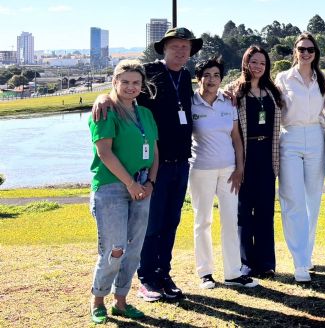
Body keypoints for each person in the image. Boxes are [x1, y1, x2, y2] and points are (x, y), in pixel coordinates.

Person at [93, 27, 202, 301]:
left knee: (171, 222)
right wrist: (102, 96)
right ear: (164, 49)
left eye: (186, 47)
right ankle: (146, 278)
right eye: (175, 46)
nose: (181, 51)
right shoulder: (150, 70)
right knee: (150, 225)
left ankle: (164, 273)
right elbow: (124, 88)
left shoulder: (187, 75)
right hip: (155, 164)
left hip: (181, 162)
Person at [88, 60, 158, 324]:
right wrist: (130, 184)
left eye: (136, 83)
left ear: (142, 86)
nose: (131, 87)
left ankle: (121, 301)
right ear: (115, 82)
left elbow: (154, 151)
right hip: (112, 188)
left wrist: (150, 182)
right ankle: (98, 300)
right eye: (125, 82)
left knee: (134, 249)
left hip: (142, 187)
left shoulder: (146, 115)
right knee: (114, 248)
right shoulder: (106, 111)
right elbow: (104, 152)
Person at [188, 57, 256, 289]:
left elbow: (236, 139)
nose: (211, 80)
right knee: (202, 221)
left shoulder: (229, 102)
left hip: (229, 170)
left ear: (221, 79)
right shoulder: (190, 103)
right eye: (206, 75)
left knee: (230, 219)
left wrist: (240, 168)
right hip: (201, 170)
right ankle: (205, 273)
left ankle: (233, 273)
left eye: (216, 75)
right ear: (198, 78)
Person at [275, 32, 325, 283]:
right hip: (291, 137)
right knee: (292, 199)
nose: (306, 53)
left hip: (316, 138)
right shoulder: (283, 78)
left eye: (310, 49)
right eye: (301, 49)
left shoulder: (322, 78)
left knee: (312, 201)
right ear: (294, 51)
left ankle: (307, 256)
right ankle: (299, 263)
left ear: (315, 53)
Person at [230, 45, 283, 280]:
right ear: (246, 63)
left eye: (262, 63)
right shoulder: (234, 92)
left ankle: (266, 262)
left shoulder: (272, 92)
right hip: (243, 155)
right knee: (243, 211)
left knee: (265, 211)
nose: (258, 67)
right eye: (254, 62)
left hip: (267, 154)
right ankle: (246, 262)